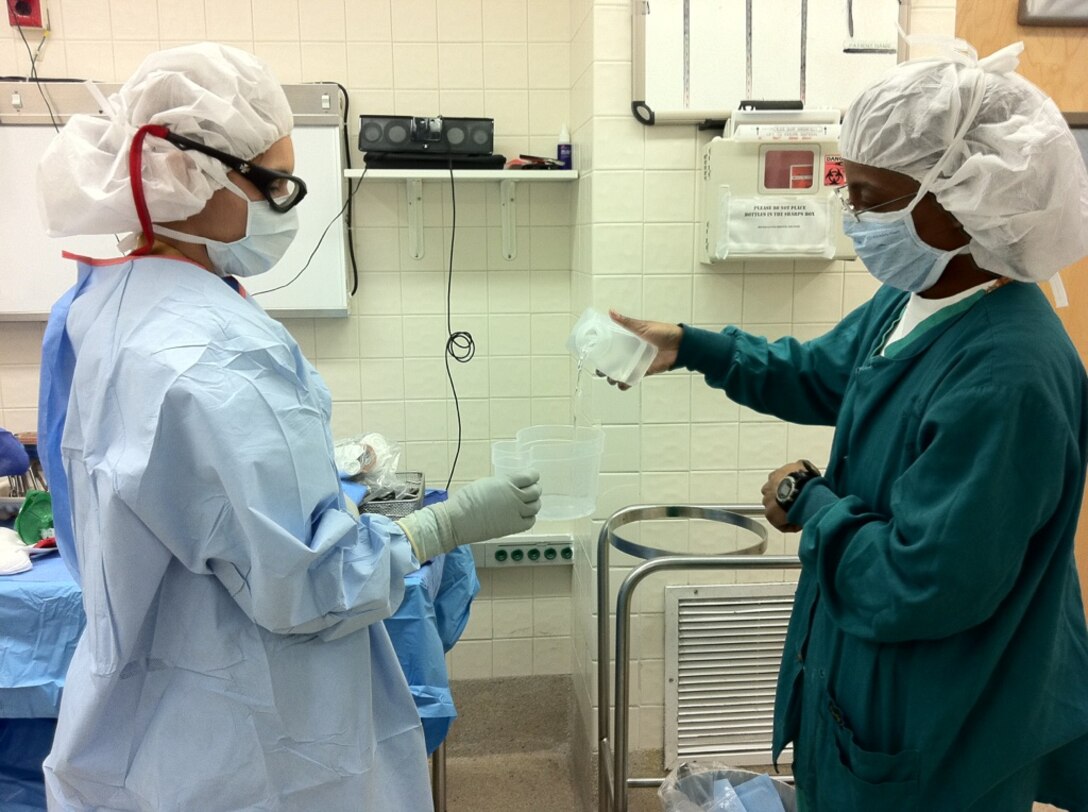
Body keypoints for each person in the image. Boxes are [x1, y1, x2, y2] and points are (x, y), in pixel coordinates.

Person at [35, 43, 540, 811]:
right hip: (248, 751)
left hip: (149, 733)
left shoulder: (97, 307)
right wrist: (443, 525)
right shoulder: (219, 351)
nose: (287, 206)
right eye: (275, 182)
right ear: (189, 171)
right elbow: (309, 586)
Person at [610, 42, 1088, 811]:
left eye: (868, 196)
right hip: (868, 680)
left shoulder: (1008, 374)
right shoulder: (919, 297)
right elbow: (821, 373)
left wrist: (812, 503)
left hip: (942, 717)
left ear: (962, 197)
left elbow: (919, 582)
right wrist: (693, 347)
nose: (853, 216)